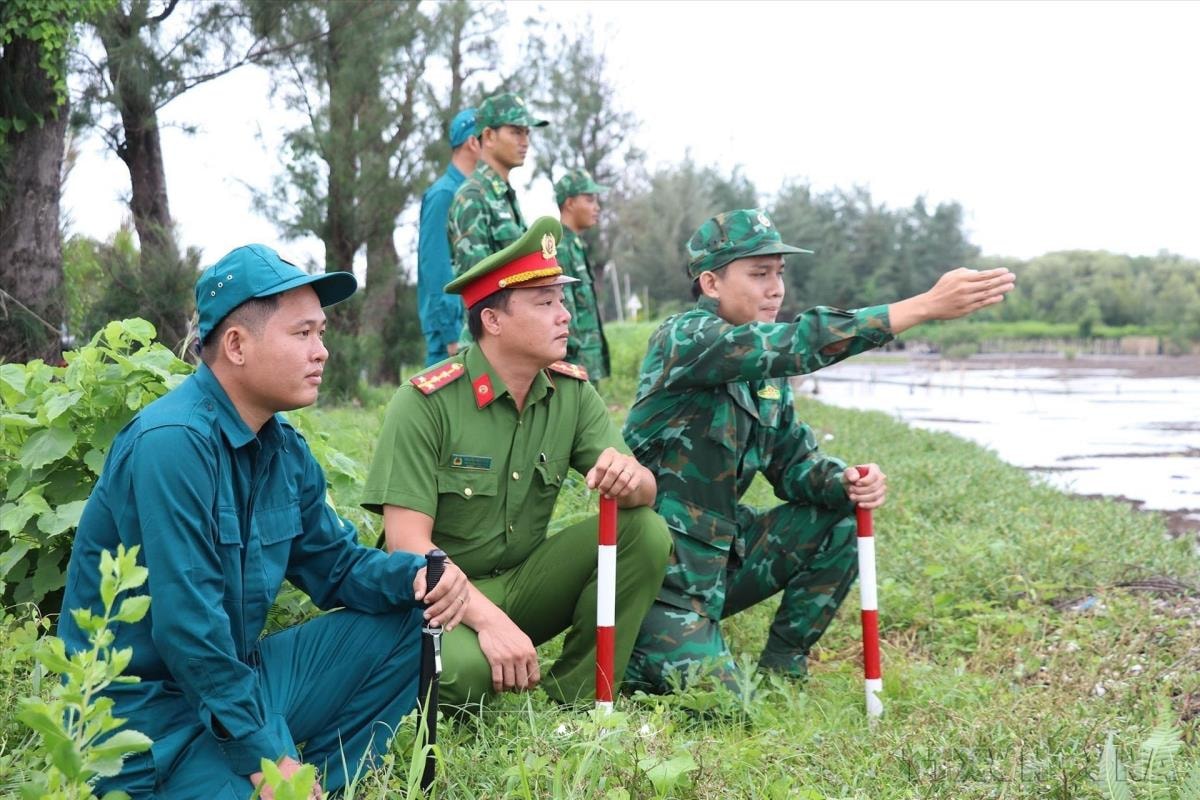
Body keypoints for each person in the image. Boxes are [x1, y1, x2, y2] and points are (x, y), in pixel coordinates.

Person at [58, 245, 469, 799]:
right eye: (302, 334)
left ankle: (301, 780)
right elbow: (189, 632)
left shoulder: (281, 448)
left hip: (234, 686)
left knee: (405, 620)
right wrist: (269, 757)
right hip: (141, 720)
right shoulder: (173, 445)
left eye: (321, 333)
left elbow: (337, 567)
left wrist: (419, 575)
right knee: (246, 764)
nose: (322, 351)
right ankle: (262, 772)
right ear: (236, 345)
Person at [621, 208, 1016, 694]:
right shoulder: (685, 338)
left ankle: (783, 667)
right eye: (759, 274)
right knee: (724, 707)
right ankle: (642, 654)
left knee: (840, 516)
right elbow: (800, 343)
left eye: (779, 274)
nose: (776, 289)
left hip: (724, 560)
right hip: (663, 575)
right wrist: (922, 307)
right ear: (711, 283)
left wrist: (844, 481)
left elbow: (794, 465)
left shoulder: (764, 373)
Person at [361, 217, 672, 706]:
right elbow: (407, 547)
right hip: (439, 600)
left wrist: (633, 478)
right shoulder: (425, 401)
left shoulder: (571, 392)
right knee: (459, 676)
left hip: (524, 583)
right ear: (493, 320)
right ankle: (470, 658)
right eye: (545, 303)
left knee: (646, 529)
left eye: (562, 300)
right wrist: (491, 622)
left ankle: (573, 697)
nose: (564, 315)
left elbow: (644, 491)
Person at [446, 91, 547, 278]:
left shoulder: (502, 194)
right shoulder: (472, 197)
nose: (525, 142)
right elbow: (477, 287)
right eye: (516, 132)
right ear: (489, 136)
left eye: (527, 133)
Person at [418, 108, 480, 366]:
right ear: (473, 143)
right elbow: (435, 267)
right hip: (451, 339)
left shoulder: (474, 192)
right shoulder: (444, 194)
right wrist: (451, 334)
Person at [554, 168, 611, 382]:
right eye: (589, 200)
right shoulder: (560, 248)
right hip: (574, 364)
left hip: (587, 362)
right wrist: (571, 363)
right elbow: (563, 310)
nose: (596, 207)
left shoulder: (576, 245)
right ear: (569, 203)